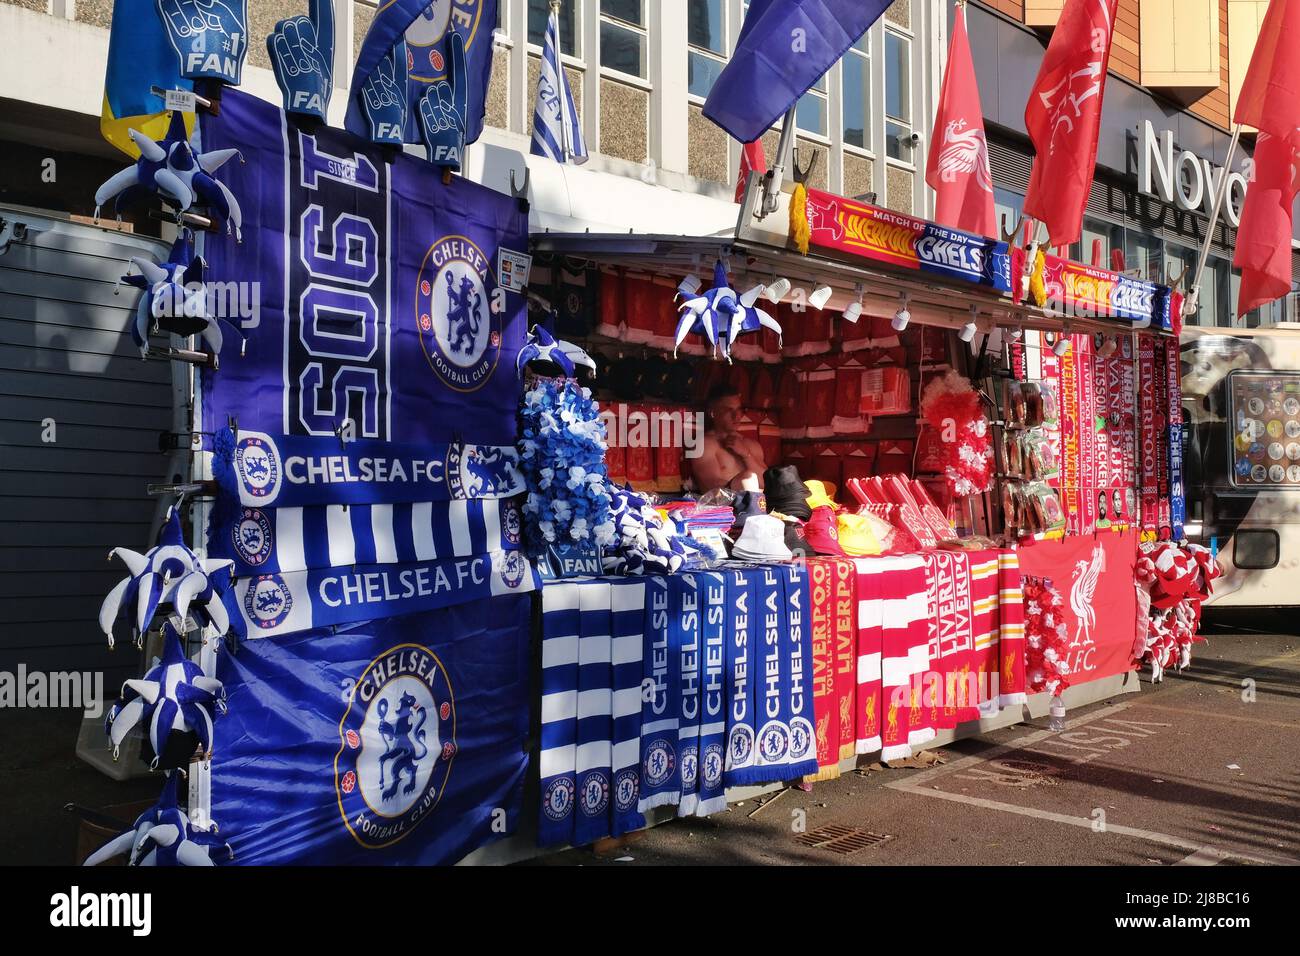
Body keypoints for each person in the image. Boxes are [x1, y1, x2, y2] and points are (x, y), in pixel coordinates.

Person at [691, 382, 767, 494]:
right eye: (728, 410)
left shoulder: (752, 445)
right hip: (725, 507)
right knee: (748, 478)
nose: (736, 416)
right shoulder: (703, 444)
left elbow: (768, 482)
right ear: (712, 413)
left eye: (739, 409)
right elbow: (710, 486)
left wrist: (746, 455)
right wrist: (743, 483)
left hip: (757, 503)